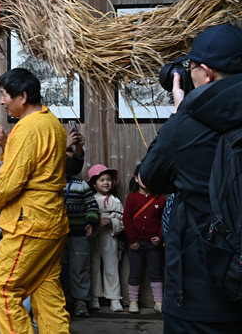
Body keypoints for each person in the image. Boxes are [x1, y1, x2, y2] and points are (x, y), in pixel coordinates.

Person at [139, 21, 242, 333]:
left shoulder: (186, 123)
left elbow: (150, 179)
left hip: (200, 295)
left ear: (206, 73)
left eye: (191, 67)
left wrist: (181, 113)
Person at [0, 67, 70, 334]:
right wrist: (4, 144)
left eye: (4, 95)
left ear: (22, 96)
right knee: (46, 290)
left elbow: (12, 182)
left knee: (2, 289)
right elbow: (37, 166)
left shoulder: (27, 128)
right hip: (52, 221)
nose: (1, 101)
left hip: (30, 223)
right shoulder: (51, 122)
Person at [123, 164, 164, 314]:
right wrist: (132, 240)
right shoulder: (132, 198)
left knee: (156, 272)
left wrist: (160, 237)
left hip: (154, 245)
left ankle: (158, 302)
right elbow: (126, 220)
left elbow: (163, 220)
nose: (146, 179)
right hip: (136, 244)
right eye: (142, 176)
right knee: (135, 272)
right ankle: (133, 302)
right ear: (136, 178)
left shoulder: (160, 200)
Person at [86, 164, 124, 312]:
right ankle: (94, 298)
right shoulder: (91, 200)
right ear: (94, 184)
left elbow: (123, 222)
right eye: (102, 180)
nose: (106, 182)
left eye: (108, 179)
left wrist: (110, 222)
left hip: (110, 236)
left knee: (111, 267)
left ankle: (115, 299)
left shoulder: (116, 201)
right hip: (93, 237)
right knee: (93, 266)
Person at [61, 171, 98, 318]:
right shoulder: (48, 183)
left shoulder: (81, 184)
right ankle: (59, 303)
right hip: (56, 235)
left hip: (79, 234)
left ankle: (81, 302)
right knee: (58, 270)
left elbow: (92, 205)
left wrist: (90, 222)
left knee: (80, 268)